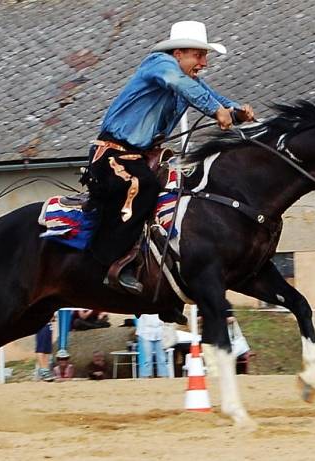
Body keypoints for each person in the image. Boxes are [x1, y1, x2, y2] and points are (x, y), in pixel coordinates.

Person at [80, 20, 255, 295]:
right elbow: (185, 87)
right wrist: (218, 111)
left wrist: (238, 113)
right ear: (178, 54)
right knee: (143, 184)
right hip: (113, 154)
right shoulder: (158, 64)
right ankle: (110, 264)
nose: (204, 63)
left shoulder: (190, 82)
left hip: (141, 155)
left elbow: (215, 100)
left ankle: (161, 274)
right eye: (199, 55)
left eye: (205, 56)